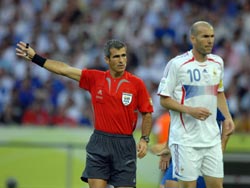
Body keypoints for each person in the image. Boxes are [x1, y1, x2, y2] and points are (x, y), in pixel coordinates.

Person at [16, 39, 154, 188]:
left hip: (124, 144)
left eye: (124, 55)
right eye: (116, 56)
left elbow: (147, 113)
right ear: (107, 59)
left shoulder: (137, 84)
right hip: (99, 142)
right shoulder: (95, 78)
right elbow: (65, 69)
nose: (121, 60)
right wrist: (36, 57)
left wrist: (144, 139)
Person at [157, 21, 235, 188]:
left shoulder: (217, 63)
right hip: (185, 140)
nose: (210, 41)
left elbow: (219, 92)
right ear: (193, 38)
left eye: (212, 36)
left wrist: (227, 117)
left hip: (211, 138)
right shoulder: (177, 64)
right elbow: (164, 99)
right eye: (205, 36)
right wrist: (189, 110)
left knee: (216, 185)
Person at [156, 109, 231, 188]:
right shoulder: (180, 99)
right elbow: (175, 120)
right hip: (183, 148)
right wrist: (167, 147)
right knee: (169, 183)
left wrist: (219, 152)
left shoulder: (215, 100)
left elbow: (227, 124)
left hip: (205, 151)